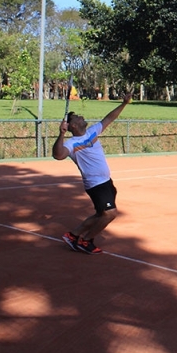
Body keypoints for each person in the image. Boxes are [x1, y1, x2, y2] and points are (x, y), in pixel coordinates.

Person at [53, 93, 132, 254]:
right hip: (95, 184)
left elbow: (109, 118)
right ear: (73, 126)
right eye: (77, 118)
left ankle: (73, 235)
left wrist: (124, 103)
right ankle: (86, 240)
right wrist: (61, 133)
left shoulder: (93, 132)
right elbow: (58, 155)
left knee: (100, 213)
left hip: (106, 180)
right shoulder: (71, 143)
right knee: (110, 213)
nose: (82, 117)